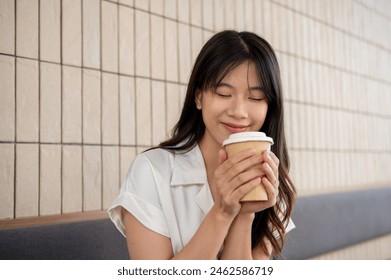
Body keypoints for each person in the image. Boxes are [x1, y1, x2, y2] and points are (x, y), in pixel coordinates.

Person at [108, 30, 296, 260]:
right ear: (199, 97)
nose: (238, 111)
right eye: (223, 93)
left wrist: (245, 216)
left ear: (270, 107)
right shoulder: (151, 171)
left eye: (255, 98)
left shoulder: (269, 180)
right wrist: (222, 212)